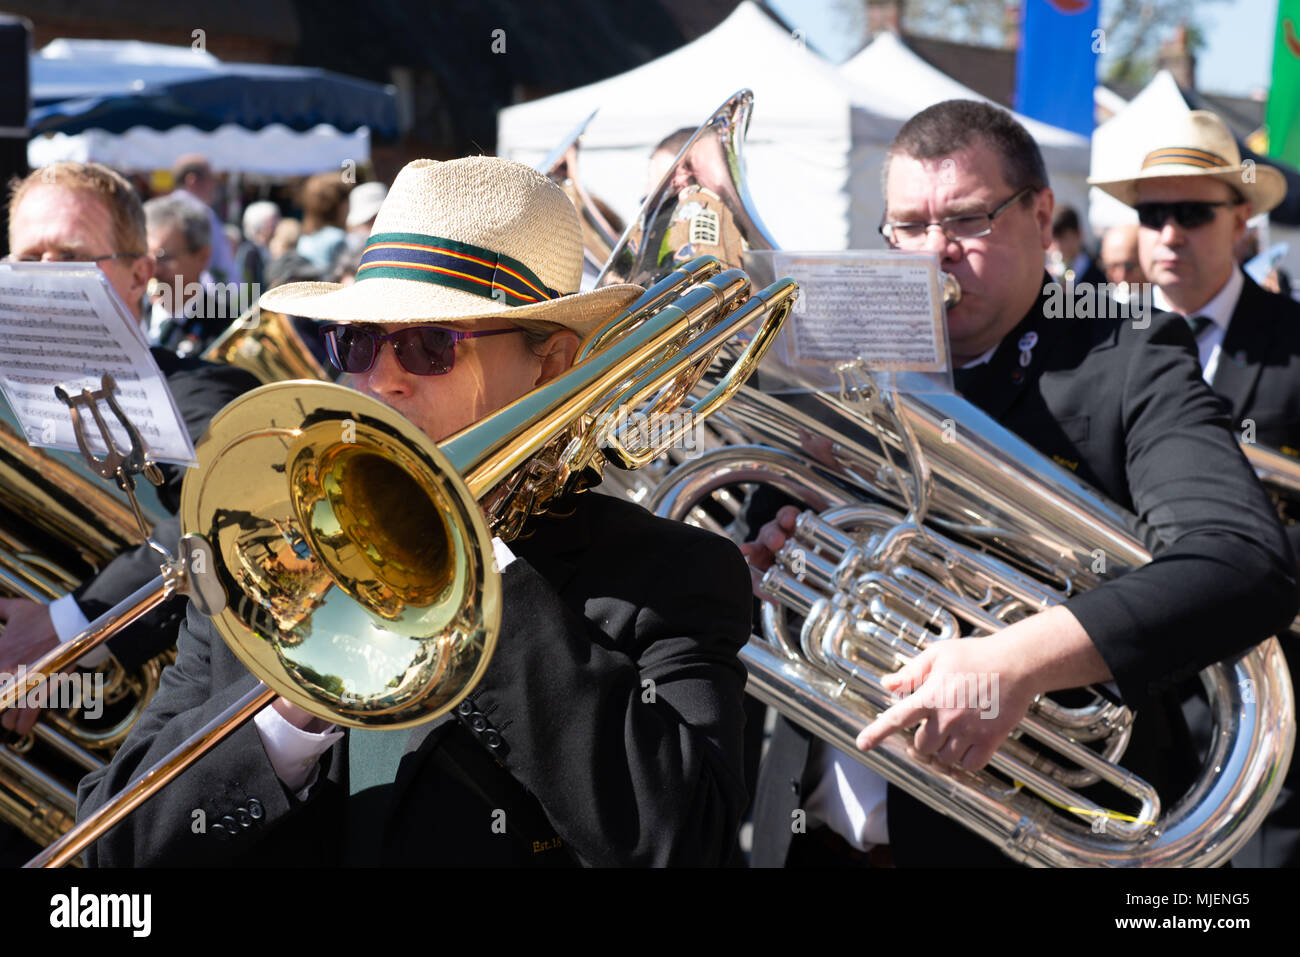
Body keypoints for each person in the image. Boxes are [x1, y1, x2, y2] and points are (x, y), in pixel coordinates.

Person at [76, 156, 754, 867]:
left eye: (432, 344)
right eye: (360, 341)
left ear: (552, 364)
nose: (381, 379)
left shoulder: (666, 578)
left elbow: (684, 843)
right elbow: (110, 851)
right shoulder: (258, 558)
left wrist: (472, 576)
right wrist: (284, 721)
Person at [743, 100, 1297, 867]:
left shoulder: (1127, 353)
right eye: (908, 225)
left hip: (1015, 841)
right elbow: (757, 534)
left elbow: (1242, 559)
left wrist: (1015, 661)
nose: (934, 252)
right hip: (815, 838)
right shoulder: (847, 344)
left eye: (968, 219)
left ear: (1041, 214)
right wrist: (768, 560)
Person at [1091, 108, 1300, 868]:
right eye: (1152, 214)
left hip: (1270, 692)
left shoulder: (1293, 339)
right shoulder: (1097, 347)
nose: (1170, 233)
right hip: (1134, 699)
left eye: (1194, 213)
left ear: (1241, 220)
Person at [0, 163, 259, 734]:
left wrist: (66, 624)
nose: (43, 276)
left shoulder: (200, 392)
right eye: (26, 260)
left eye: (68, 258)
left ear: (140, 275)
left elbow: (238, 504)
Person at [169, 154, 235, 285]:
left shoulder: (161, 210)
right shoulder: (201, 213)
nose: (214, 185)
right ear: (192, 180)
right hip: (203, 298)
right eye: (211, 178)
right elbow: (219, 263)